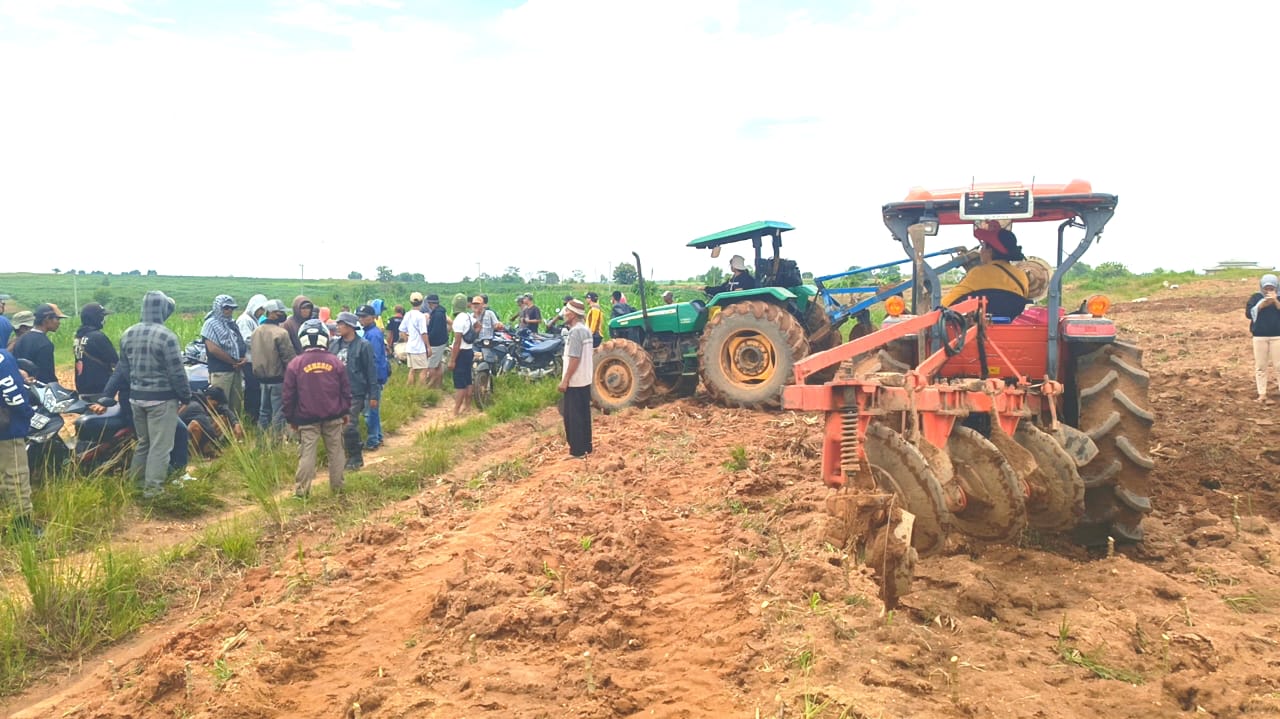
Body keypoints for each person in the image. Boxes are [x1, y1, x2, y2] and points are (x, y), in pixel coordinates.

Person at [117, 291, 192, 499]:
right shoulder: (167, 336)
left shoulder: (127, 334)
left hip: (136, 398)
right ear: (162, 309)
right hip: (162, 400)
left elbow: (124, 369)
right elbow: (177, 372)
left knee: (144, 443)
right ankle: (153, 491)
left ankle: (136, 486)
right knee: (160, 447)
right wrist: (185, 396)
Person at [283, 320, 351, 498]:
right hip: (334, 416)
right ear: (324, 338)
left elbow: (288, 396)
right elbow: (345, 391)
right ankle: (338, 488)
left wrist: (291, 419)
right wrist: (345, 411)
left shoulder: (295, 364)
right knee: (336, 453)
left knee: (307, 455)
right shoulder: (335, 362)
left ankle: (302, 492)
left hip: (306, 419)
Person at [940, 223, 1030, 317]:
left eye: (983, 246)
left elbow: (946, 304)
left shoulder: (979, 273)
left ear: (989, 251)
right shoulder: (1021, 276)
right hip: (1009, 323)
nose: (980, 251)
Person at [1, 319, 37, 536]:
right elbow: (12, 394)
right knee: (16, 475)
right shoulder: (2, 358)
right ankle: (22, 525)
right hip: (7, 428)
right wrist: (26, 413)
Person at [330, 311, 378, 470]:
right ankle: (341, 456)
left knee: (349, 424)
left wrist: (373, 395)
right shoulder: (334, 345)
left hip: (355, 392)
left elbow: (371, 371)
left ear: (350, 326)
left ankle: (355, 457)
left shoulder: (363, 345)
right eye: (337, 324)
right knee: (336, 426)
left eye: (341, 324)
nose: (338, 327)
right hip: (336, 392)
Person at [250, 299, 296, 434]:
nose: (282, 315)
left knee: (264, 412)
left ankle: (262, 441)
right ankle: (276, 441)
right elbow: (289, 358)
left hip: (261, 379)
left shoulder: (256, 331)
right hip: (278, 379)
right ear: (271, 313)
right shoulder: (281, 333)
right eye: (279, 312)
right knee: (278, 413)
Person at [200, 295, 248, 416]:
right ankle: (219, 428)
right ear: (218, 308)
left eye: (232, 308)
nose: (229, 310)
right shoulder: (210, 324)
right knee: (220, 405)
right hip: (221, 371)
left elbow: (240, 343)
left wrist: (243, 359)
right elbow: (213, 349)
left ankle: (235, 427)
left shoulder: (232, 323)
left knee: (235, 406)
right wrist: (233, 362)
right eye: (226, 308)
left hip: (236, 370)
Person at [558, 299, 594, 458]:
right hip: (585, 379)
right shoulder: (585, 329)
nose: (564, 314)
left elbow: (574, 358)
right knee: (584, 414)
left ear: (572, 314)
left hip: (575, 381)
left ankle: (577, 451)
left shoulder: (575, 332)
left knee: (573, 418)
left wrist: (565, 379)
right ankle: (586, 447)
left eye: (566, 311)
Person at [355, 305, 390, 450]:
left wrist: (371, 380)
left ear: (373, 317)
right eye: (359, 316)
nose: (361, 319)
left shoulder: (373, 335)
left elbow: (373, 360)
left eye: (364, 316)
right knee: (372, 410)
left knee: (370, 411)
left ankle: (373, 440)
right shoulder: (370, 332)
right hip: (375, 376)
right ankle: (377, 437)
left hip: (374, 377)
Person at [181, 386, 244, 458]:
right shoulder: (196, 406)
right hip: (180, 440)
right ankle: (192, 456)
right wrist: (218, 448)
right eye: (214, 405)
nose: (215, 408)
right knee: (195, 426)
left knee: (222, 418)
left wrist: (235, 423)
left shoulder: (203, 401)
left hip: (189, 435)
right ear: (208, 398)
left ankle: (203, 451)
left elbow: (225, 410)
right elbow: (208, 429)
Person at [13, 302, 68, 384]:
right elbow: (46, 376)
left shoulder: (22, 338)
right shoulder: (45, 344)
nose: (59, 323)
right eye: (57, 319)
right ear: (47, 319)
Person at [1247, 273, 1280, 403]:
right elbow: (1249, 314)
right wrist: (1261, 305)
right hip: (1259, 336)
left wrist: (1275, 301)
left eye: (1272, 287)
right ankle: (1262, 394)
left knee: (1279, 366)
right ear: (1262, 287)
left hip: (1277, 336)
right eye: (1266, 288)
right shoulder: (1256, 297)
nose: (1269, 290)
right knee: (1261, 366)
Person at [73, 302, 118, 397]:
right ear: (96, 318)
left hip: (82, 387)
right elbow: (115, 361)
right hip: (99, 387)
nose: (104, 319)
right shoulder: (98, 337)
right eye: (103, 316)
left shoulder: (78, 337)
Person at [237, 294, 268, 423]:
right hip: (248, 361)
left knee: (255, 389)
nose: (261, 312)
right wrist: (264, 343)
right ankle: (251, 416)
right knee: (252, 389)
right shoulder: (245, 320)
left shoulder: (253, 320)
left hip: (254, 360)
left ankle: (254, 415)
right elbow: (248, 339)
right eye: (260, 309)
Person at [449, 298, 481, 417]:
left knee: (460, 384)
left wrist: (452, 360)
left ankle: (456, 411)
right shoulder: (468, 316)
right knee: (468, 380)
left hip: (460, 353)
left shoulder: (458, 320)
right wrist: (472, 337)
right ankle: (467, 407)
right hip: (469, 351)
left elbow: (457, 343)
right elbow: (478, 326)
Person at [400, 291, 430, 385]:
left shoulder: (407, 314)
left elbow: (402, 330)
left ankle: (410, 388)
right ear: (421, 302)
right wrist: (428, 346)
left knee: (412, 369)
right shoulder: (421, 316)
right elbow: (423, 333)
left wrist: (407, 340)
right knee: (424, 369)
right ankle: (420, 389)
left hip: (410, 347)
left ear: (411, 302)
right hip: (419, 348)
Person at [424, 294, 449, 389]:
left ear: (430, 303)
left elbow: (435, 331)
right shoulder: (440, 312)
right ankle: (438, 385)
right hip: (441, 342)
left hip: (436, 343)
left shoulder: (437, 314)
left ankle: (430, 386)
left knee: (431, 366)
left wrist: (428, 340)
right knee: (438, 365)